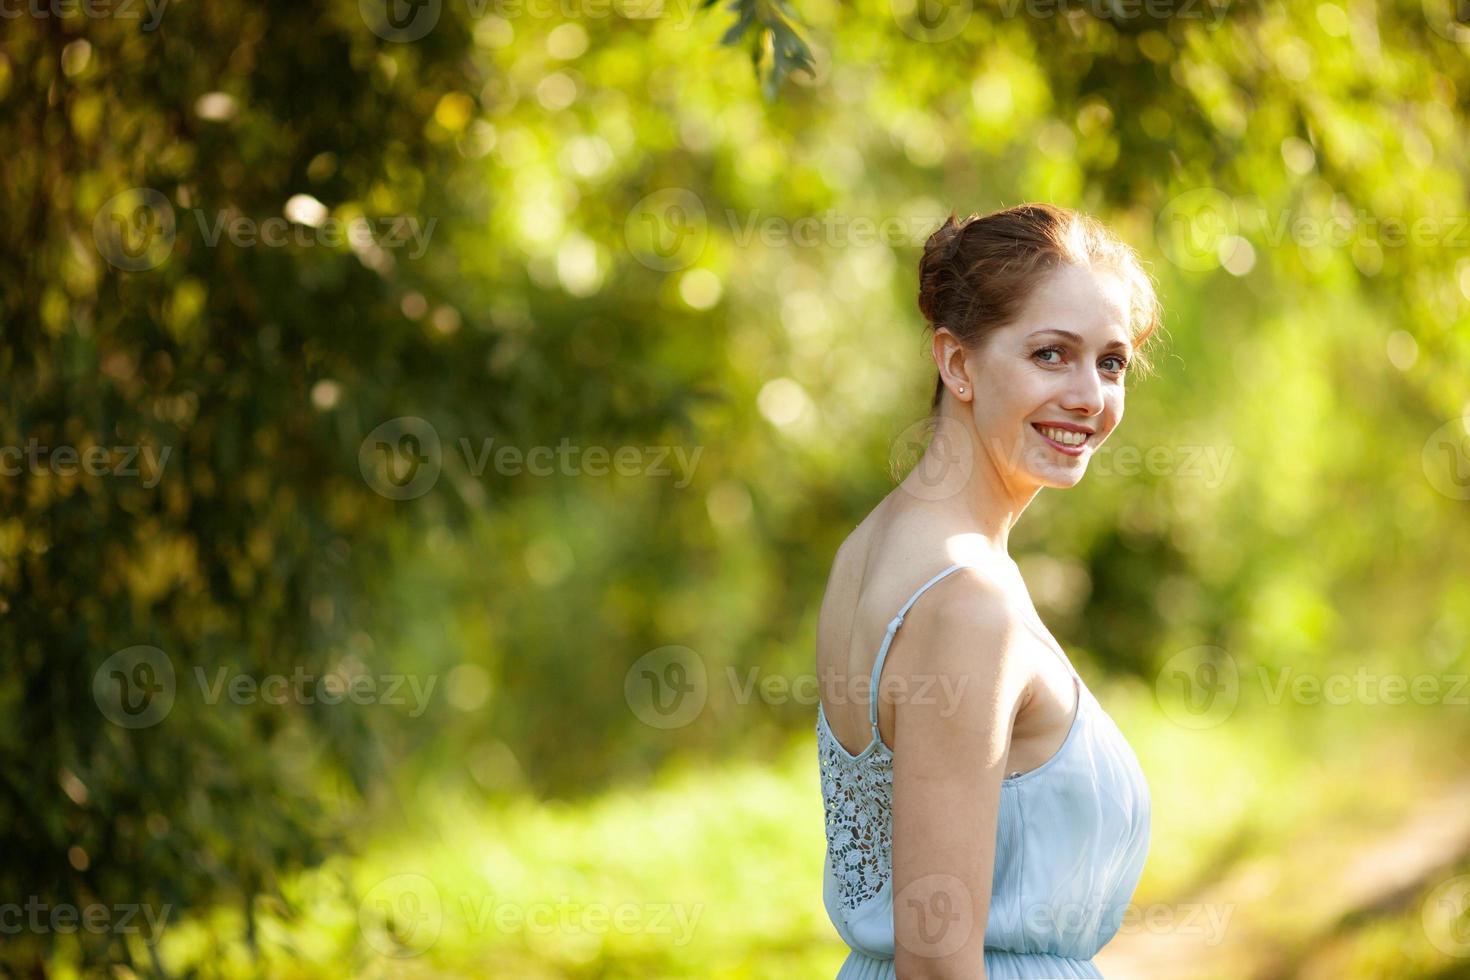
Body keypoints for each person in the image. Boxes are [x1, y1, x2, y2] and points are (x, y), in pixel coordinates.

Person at [814, 203, 1162, 978]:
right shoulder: (969, 602)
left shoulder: (867, 550)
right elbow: (936, 961)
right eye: (1050, 354)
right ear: (957, 364)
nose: (1088, 397)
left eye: (1110, 363)